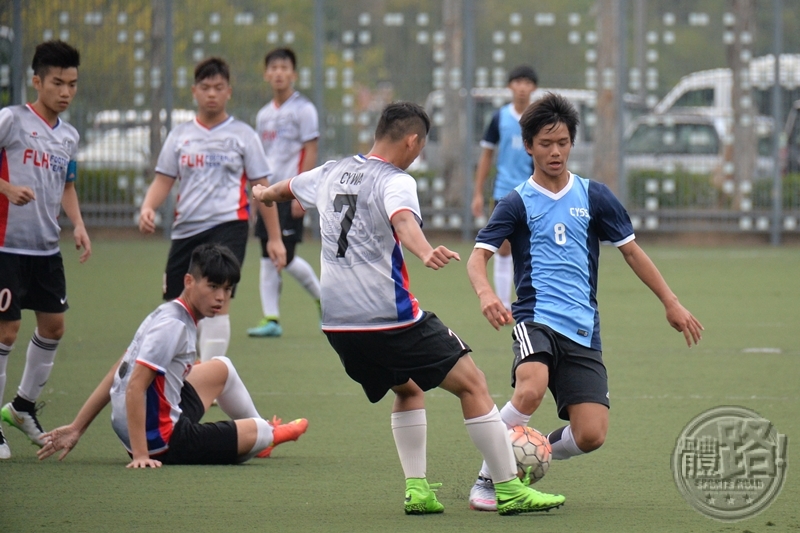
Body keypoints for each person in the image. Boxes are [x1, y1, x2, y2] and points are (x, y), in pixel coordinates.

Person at [252, 101, 565, 515]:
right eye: (420, 147)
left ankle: (417, 489)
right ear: (413, 140)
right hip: (387, 318)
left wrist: (261, 192)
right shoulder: (395, 179)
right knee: (472, 382)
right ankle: (508, 487)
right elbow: (403, 222)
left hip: (338, 325)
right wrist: (424, 251)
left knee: (408, 387)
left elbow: (280, 190)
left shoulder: (330, 171)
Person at [466, 93, 704, 511]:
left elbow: (632, 251)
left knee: (591, 434)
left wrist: (671, 301)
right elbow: (478, 256)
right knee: (530, 389)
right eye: (545, 143)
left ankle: (530, 450)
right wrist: (486, 293)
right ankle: (490, 480)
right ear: (528, 146)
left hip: (582, 327)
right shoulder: (517, 201)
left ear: (572, 143)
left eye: (562, 142)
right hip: (535, 317)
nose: (555, 151)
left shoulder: (594, 196)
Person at [36, 243, 308, 466]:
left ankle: (264, 439)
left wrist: (76, 428)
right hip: (162, 441)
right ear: (189, 281)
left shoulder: (169, 312)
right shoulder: (174, 325)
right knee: (257, 433)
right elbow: (134, 386)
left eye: (226, 289)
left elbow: (115, 372)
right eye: (212, 287)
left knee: (221, 367)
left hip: (151, 422)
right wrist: (142, 454)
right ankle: (266, 435)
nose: (221, 297)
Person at [138, 57, 286, 362]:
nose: (212, 94)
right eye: (205, 87)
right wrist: (148, 207)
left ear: (228, 92)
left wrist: (274, 238)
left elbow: (263, 189)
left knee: (219, 294)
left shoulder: (244, 135)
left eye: (218, 88)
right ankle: (185, 367)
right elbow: (163, 180)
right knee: (178, 302)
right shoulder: (180, 136)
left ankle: (206, 377)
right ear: (194, 91)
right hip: (187, 228)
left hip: (229, 224)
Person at [0, 40, 91, 460]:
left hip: (45, 249)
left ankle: (21, 407)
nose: (66, 92)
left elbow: (67, 185)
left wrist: (78, 225)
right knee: (6, 331)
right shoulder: (11, 120)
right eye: (57, 82)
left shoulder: (68, 135)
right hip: (5, 246)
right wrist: (5, 187)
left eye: (72, 84)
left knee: (53, 326)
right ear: (36, 81)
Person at [248, 48, 321, 338]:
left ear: (294, 74)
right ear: (266, 74)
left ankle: (323, 300)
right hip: (266, 192)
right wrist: (255, 193)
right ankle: (271, 318)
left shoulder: (304, 109)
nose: (278, 73)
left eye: (284, 68)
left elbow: (310, 150)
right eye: (273, 68)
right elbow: (258, 158)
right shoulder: (264, 115)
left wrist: (303, 193)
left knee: (286, 257)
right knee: (267, 254)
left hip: (289, 192)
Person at [471, 65, 538, 311]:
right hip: (504, 192)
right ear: (510, 86)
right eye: (517, 82)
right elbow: (487, 155)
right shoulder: (500, 118)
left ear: (534, 88)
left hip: (533, 191)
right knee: (503, 247)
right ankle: (503, 303)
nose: (522, 88)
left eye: (527, 82)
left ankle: (531, 299)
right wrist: (478, 192)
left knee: (534, 246)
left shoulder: (538, 118)